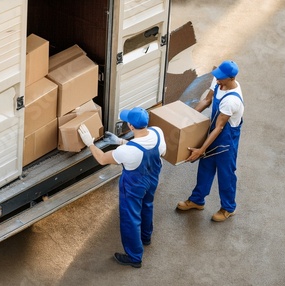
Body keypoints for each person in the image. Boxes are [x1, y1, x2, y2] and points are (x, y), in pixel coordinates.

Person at [78, 107, 166, 268]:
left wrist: (90, 144)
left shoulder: (126, 152)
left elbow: (103, 159)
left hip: (134, 185)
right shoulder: (158, 133)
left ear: (131, 127)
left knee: (130, 218)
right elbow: (147, 147)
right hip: (152, 178)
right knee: (147, 206)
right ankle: (146, 237)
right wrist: (119, 141)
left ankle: (134, 257)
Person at [177, 60, 244, 222]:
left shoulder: (231, 101)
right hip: (213, 131)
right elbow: (207, 101)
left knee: (225, 174)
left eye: (221, 78)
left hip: (226, 139)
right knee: (205, 168)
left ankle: (228, 208)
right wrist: (188, 119)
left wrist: (201, 149)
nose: (217, 80)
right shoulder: (218, 81)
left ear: (231, 78)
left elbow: (219, 127)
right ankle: (197, 200)